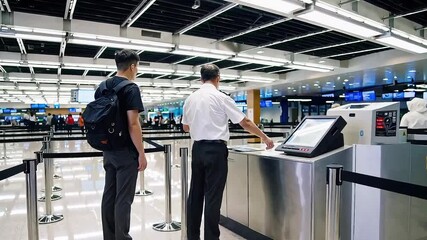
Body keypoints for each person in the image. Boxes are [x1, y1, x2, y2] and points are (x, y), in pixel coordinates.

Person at [182, 64, 275, 240]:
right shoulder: (221, 97)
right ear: (218, 78)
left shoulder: (190, 99)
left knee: (195, 194)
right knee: (213, 196)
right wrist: (265, 138)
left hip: (198, 150)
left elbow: (186, 127)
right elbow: (245, 122)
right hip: (216, 150)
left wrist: (200, 122)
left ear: (201, 78)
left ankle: (192, 236)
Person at [95, 49, 146, 240]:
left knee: (109, 194)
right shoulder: (131, 88)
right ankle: (122, 237)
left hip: (108, 149)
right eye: (137, 67)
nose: (137, 70)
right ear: (132, 66)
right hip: (125, 152)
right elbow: (133, 124)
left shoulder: (102, 86)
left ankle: (109, 236)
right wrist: (141, 153)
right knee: (124, 198)